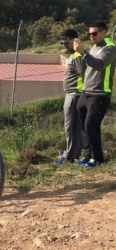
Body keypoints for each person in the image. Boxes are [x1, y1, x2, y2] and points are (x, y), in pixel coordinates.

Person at [73, 22, 116, 167]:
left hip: (100, 94)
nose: (92, 36)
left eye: (95, 33)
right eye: (90, 34)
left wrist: (83, 52)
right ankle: (88, 155)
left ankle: (98, 158)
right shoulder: (93, 47)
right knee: (85, 127)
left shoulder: (110, 48)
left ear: (104, 32)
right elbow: (86, 67)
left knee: (91, 125)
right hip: (86, 92)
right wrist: (80, 53)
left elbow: (100, 64)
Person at [56, 29, 86, 165]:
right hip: (72, 94)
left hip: (75, 95)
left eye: (65, 41)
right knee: (74, 126)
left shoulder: (78, 56)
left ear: (74, 41)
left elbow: (84, 74)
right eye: (61, 42)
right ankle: (72, 152)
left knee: (71, 127)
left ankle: (69, 156)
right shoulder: (73, 56)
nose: (63, 44)